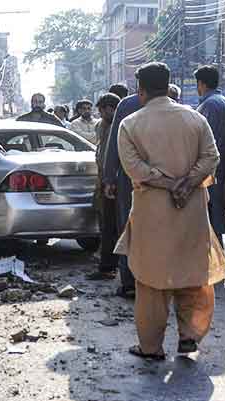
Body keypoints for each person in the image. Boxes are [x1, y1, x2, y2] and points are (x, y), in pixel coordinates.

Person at [114, 62, 225, 360]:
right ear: (168, 85)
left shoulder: (131, 124)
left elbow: (133, 168)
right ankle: (189, 336)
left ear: (141, 90)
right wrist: (187, 184)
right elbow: (211, 157)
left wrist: (166, 183)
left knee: (151, 281)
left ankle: (150, 347)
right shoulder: (195, 118)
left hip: (152, 212)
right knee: (191, 274)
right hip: (191, 210)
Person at [103, 90, 144, 299]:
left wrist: (109, 177)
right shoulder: (177, 108)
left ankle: (130, 282)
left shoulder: (127, 106)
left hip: (130, 179)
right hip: (165, 181)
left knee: (128, 228)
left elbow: (114, 145)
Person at [194, 65, 225, 240]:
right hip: (220, 164)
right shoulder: (223, 101)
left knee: (209, 213)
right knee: (215, 211)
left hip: (210, 168)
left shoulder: (209, 104)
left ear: (201, 83)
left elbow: (204, 140)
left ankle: (214, 261)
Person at [88, 92, 122, 282]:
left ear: (110, 109)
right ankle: (108, 263)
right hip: (104, 182)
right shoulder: (102, 126)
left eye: (102, 111)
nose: (101, 115)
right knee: (106, 225)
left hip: (115, 185)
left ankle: (109, 266)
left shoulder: (120, 126)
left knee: (111, 227)